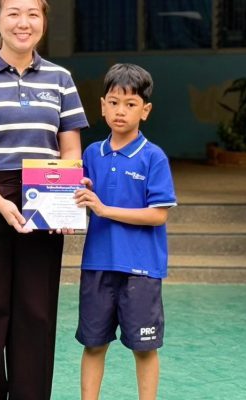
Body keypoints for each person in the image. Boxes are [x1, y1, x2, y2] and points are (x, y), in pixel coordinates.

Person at [0, 0, 88, 399]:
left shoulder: (61, 79)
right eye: (13, 13)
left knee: (35, 313)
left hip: (43, 195)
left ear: (44, 21)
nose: (24, 22)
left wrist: (64, 200)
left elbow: (69, 148)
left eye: (33, 14)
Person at [74, 63, 177, 400]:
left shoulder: (153, 157)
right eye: (114, 102)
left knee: (144, 348)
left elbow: (158, 215)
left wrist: (104, 209)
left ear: (145, 111)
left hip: (141, 269)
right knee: (93, 345)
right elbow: (78, 200)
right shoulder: (91, 154)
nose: (121, 111)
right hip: (97, 265)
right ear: (102, 106)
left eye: (130, 104)